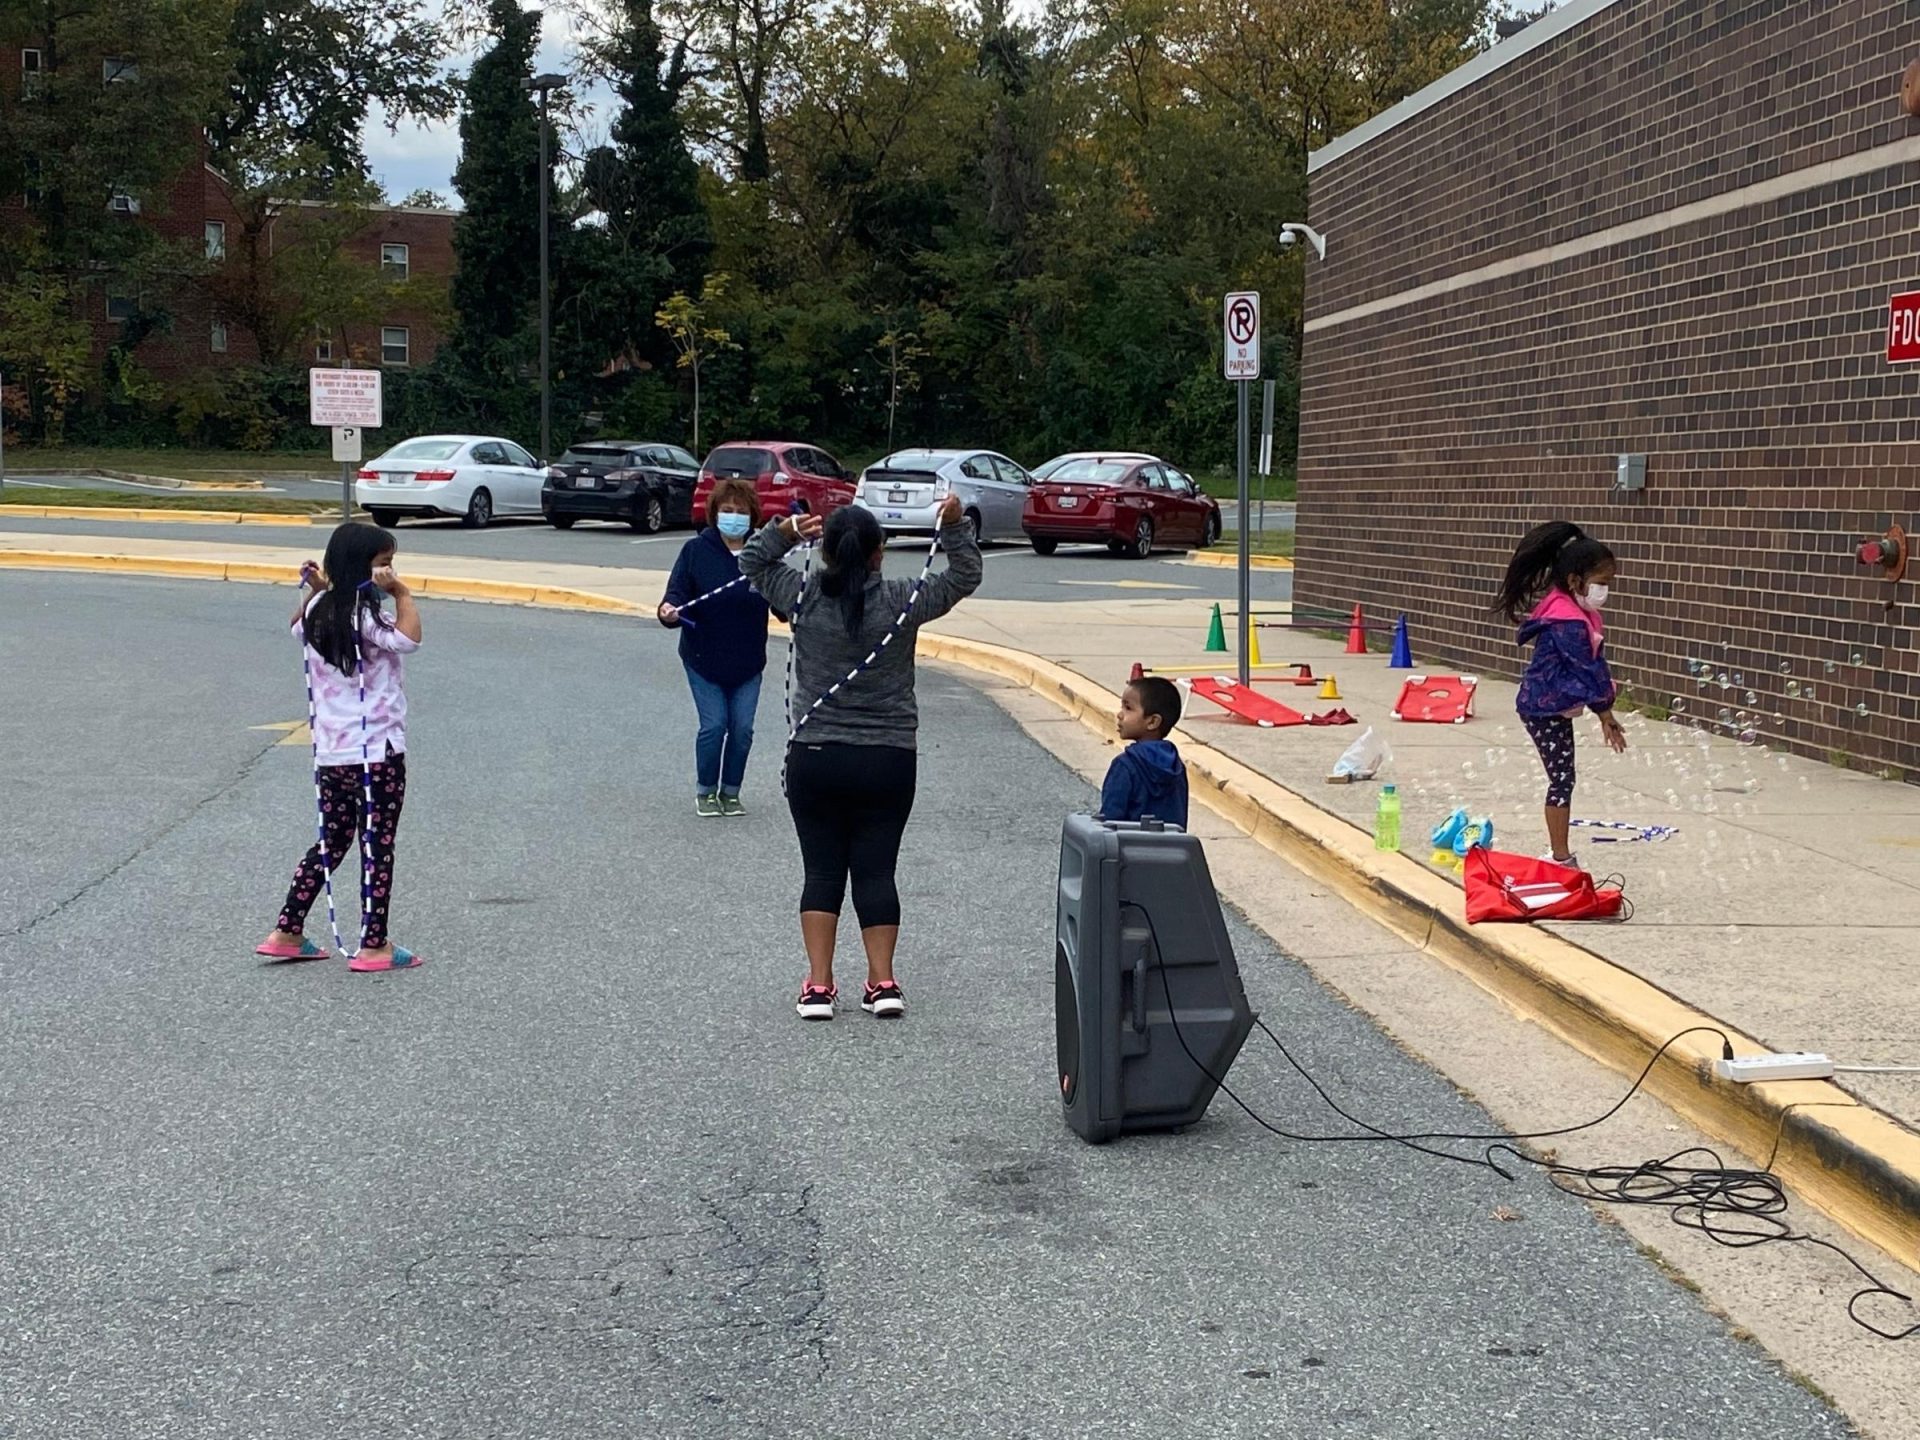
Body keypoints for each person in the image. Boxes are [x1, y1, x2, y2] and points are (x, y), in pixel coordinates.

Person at [739, 494, 983, 1021]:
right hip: (888, 757)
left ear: (824, 551)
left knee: (822, 872)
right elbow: (963, 576)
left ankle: (819, 987)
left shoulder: (800, 595)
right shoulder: (902, 598)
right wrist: (957, 525)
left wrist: (784, 532)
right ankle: (882, 982)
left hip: (817, 754)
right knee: (876, 871)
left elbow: (749, 562)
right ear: (878, 554)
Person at [256, 522, 422, 971]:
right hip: (377, 753)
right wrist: (402, 594)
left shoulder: (318, 610)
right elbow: (408, 640)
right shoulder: (368, 616)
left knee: (332, 839)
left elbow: (295, 628)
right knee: (377, 844)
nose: (389, 571)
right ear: (361, 567)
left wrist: (315, 591)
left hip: (332, 753)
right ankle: (374, 945)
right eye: (384, 563)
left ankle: (287, 929)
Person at [1493, 520, 1626, 868]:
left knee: (1563, 777)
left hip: (1549, 704)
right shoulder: (1568, 621)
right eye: (1601, 583)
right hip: (1542, 708)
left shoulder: (1569, 607)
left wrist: (1604, 708)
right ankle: (1560, 857)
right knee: (1562, 778)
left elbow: (1593, 664)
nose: (1605, 591)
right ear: (1573, 581)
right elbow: (1588, 667)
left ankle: (1559, 854)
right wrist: (1605, 711)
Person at [658, 478, 773, 817]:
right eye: (727, 511)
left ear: (752, 516)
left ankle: (731, 792)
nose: (733, 517)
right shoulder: (696, 551)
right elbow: (676, 592)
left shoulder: (762, 556)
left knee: (742, 729)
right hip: (702, 657)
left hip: (748, 661)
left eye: (740, 512)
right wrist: (668, 611)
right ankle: (706, 790)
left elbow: (784, 599)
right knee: (714, 725)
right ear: (714, 513)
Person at [1101, 676, 1189, 829]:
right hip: (1171, 850)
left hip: (1129, 849)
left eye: (1128, 708)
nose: (1120, 714)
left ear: (1152, 722)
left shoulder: (1125, 765)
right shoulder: (1177, 767)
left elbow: (1109, 821)